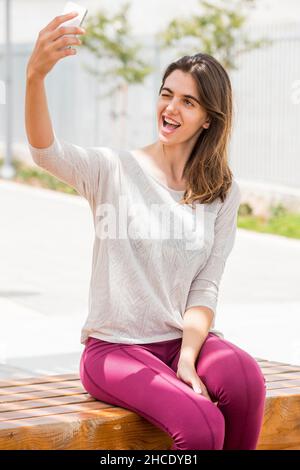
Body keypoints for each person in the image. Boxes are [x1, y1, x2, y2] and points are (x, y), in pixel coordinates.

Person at [25, 11, 266, 450]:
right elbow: (46, 152)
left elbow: (204, 289)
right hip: (114, 351)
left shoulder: (221, 192)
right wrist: (35, 77)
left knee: (246, 380)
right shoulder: (113, 170)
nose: (171, 108)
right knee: (203, 426)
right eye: (166, 94)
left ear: (208, 119)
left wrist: (189, 360)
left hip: (181, 341)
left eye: (188, 102)